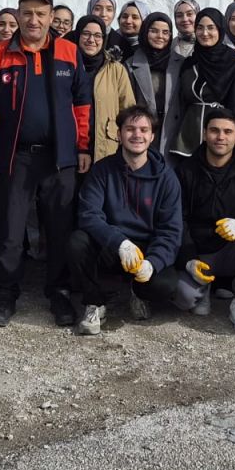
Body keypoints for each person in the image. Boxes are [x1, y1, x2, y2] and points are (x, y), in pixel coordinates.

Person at [0, 0, 93, 328]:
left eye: (41, 13)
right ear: (17, 14)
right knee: (10, 231)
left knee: (59, 229)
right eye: (27, 13)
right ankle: (5, 294)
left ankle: (59, 293)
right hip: (15, 157)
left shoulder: (69, 52)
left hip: (60, 158)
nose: (33, 20)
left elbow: (83, 104)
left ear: (51, 16)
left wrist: (83, 147)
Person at [69, 106, 183, 335]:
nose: (137, 135)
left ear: (152, 136)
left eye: (144, 130)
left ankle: (138, 293)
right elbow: (89, 215)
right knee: (77, 242)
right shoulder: (102, 171)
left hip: (145, 250)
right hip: (112, 246)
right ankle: (95, 303)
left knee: (166, 285)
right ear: (119, 134)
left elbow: (171, 231)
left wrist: (153, 262)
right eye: (130, 129)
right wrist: (120, 243)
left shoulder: (167, 178)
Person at [172, 108, 235, 333]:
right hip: (198, 251)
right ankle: (204, 286)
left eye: (227, 131)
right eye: (214, 130)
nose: (220, 137)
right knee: (184, 298)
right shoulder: (185, 170)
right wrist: (188, 259)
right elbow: (177, 219)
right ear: (205, 134)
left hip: (231, 250)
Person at [173, 7, 235, 156]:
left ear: (220, 29)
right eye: (200, 28)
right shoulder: (190, 63)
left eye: (211, 28)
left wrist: (224, 133)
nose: (205, 33)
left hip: (224, 138)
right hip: (190, 136)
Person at [122, 11, 185, 153]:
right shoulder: (130, 64)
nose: (160, 36)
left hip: (172, 131)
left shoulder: (181, 63)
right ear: (145, 32)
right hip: (141, 131)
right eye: (154, 31)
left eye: (165, 32)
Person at [74, 16, 134, 161]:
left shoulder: (116, 69)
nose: (91, 40)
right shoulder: (67, 66)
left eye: (97, 35)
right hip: (72, 147)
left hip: (107, 149)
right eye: (86, 34)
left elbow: (128, 110)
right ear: (78, 36)